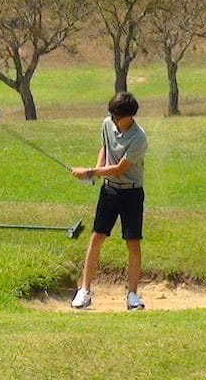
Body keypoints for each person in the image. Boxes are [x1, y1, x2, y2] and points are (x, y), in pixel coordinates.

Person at [70, 91, 149, 311]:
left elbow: (118, 169)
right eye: (112, 116)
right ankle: (84, 291)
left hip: (132, 193)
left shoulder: (139, 138)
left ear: (129, 116)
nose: (114, 120)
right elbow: (105, 148)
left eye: (117, 117)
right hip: (110, 191)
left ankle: (132, 294)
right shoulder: (107, 123)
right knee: (97, 237)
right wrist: (95, 173)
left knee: (132, 242)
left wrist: (91, 172)